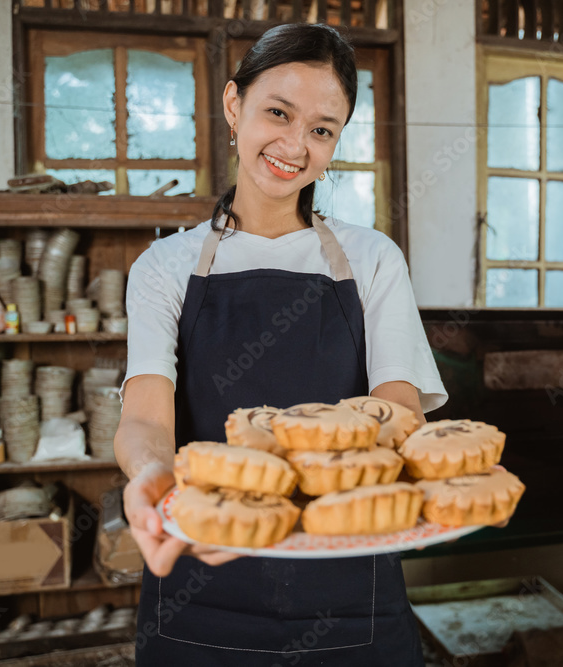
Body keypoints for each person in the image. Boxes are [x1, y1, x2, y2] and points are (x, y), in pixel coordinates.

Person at [113, 23, 446, 666]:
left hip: (348, 574)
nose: (296, 144)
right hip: (203, 573)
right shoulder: (164, 266)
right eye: (278, 113)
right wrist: (152, 475)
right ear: (234, 106)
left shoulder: (371, 257)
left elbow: (398, 402)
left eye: (322, 129)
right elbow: (147, 415)